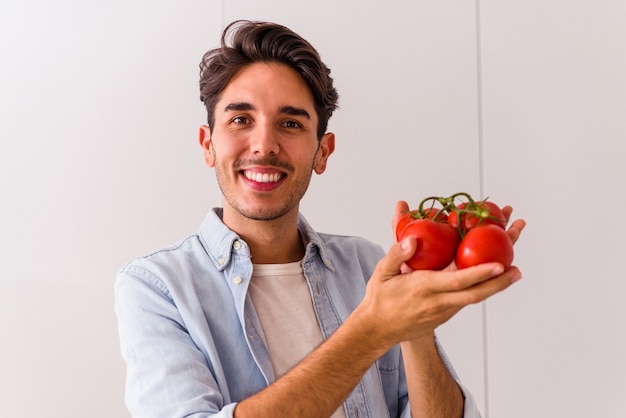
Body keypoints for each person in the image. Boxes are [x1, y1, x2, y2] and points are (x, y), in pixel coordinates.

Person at [114, 20, 525, 418]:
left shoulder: (367, 266)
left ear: (322, 152)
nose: (264, 145)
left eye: (290, 123)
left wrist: (416, 329)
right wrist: (372, 330)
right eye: (241, 119)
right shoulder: (157, 288)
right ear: (208, 145)